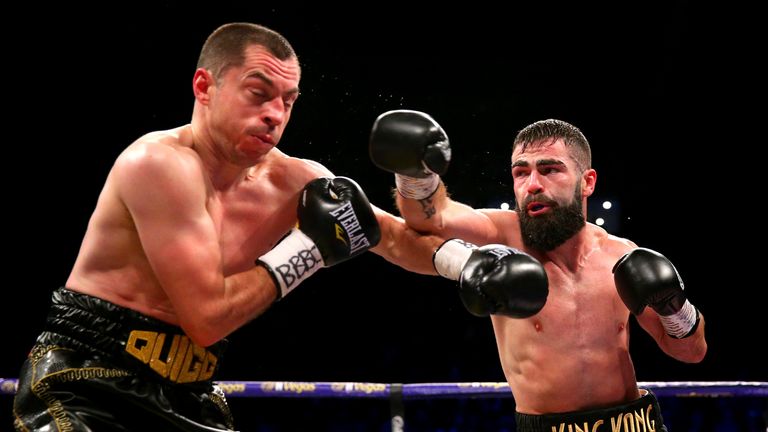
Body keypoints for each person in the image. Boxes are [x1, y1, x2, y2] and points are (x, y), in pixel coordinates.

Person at [12, 23, 494, 432]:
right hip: (88, 380)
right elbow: (206, 319)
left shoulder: (294, 180)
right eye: (259, 94)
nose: (275, 114)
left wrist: (469, 262)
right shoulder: (157, 165)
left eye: (288, 100)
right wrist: (307, 249)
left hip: (191, 390)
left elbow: (391, 238)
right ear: (204, 87)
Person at [369, 111, 707, 432]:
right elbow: (433, 218)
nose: (532, 184)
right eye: (521, 172)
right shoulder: (501, 236)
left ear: (587, 182)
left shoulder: (621, 255)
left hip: (636, 422)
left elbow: (691, 352)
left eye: (549, 170)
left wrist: (675, 309)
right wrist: (416, 176)